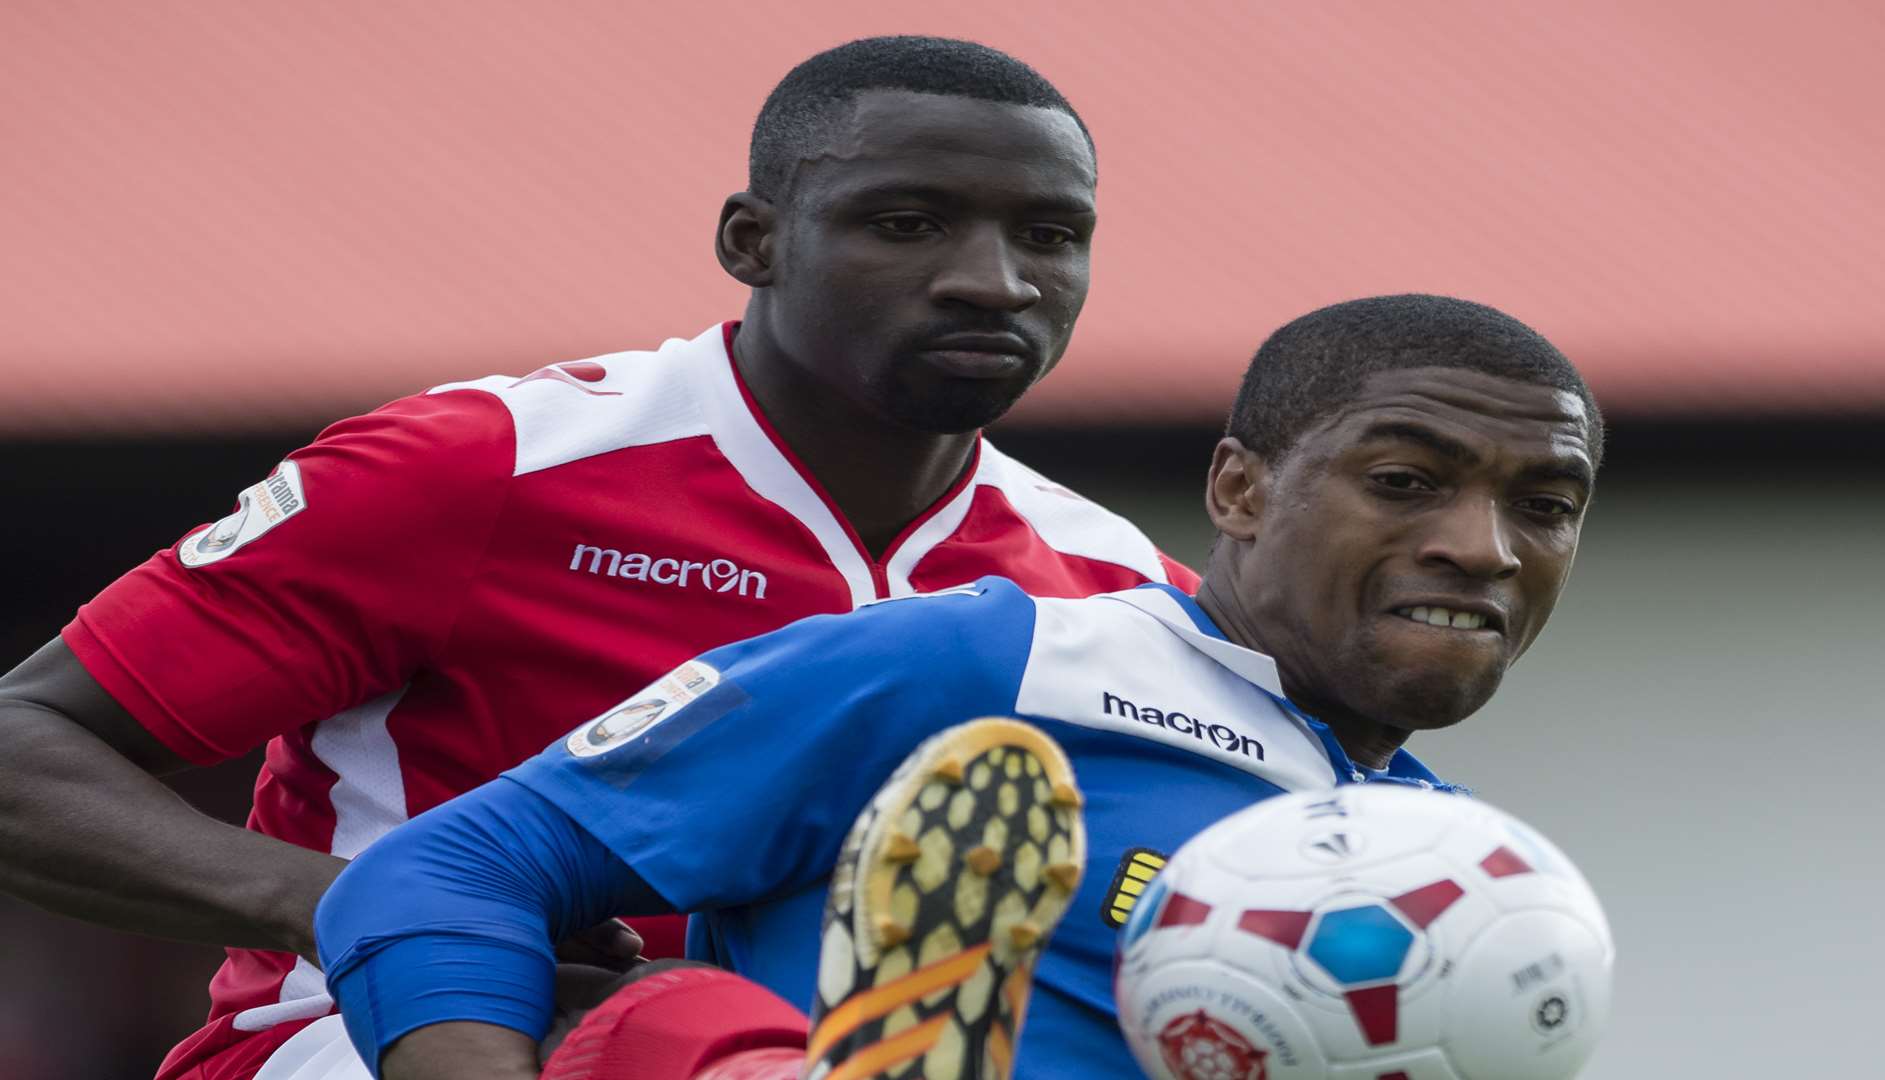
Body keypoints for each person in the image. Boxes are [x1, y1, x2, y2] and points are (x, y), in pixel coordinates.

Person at [0, 36, 1198, 1080]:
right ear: (753, 240)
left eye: (1051, 235)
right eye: (906, 223)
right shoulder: (482, 466)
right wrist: (409, 916)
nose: (992, 281)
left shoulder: (1116, 591)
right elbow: (22, 750)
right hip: (354, 1042)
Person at [314, 293, 1606, 1079]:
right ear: (1239, 491)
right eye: (1405, 482)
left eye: (1544, 506)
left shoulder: (1459, 878)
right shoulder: (996, 664)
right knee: (667, 1038)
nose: (1483, 547)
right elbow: (437, 876)